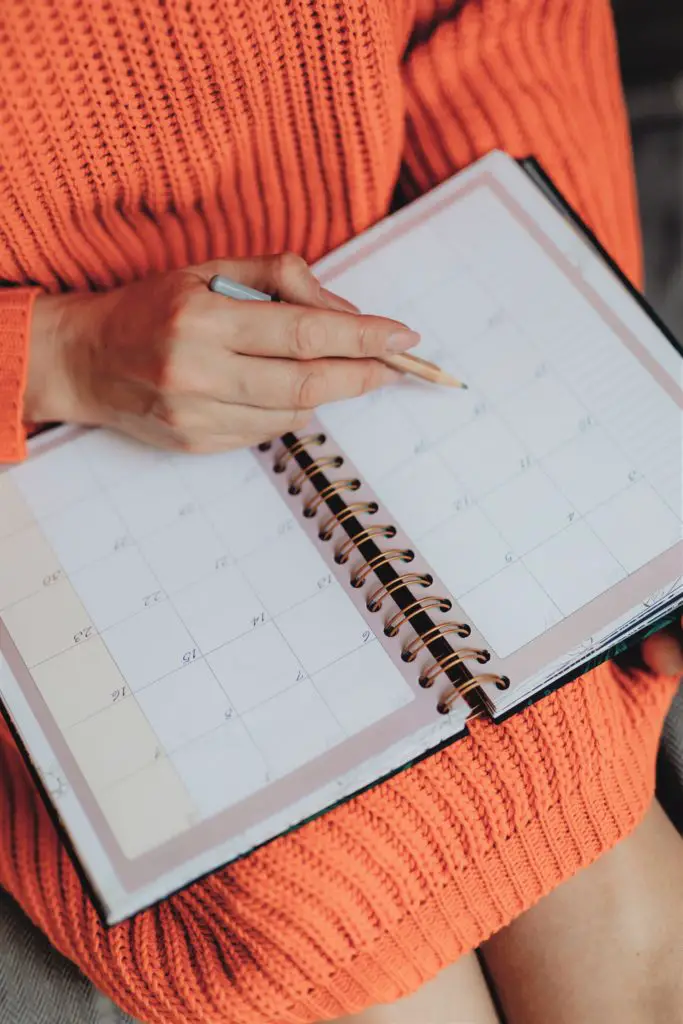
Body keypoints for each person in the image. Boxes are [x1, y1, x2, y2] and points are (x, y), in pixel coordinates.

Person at [0, 1, 682, 1021]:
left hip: (375, 318)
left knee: (575, 792)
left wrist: (617, 431)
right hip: (53, 456)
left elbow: (499, 31)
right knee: (324, 913)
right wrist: (55, 354)